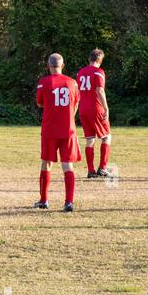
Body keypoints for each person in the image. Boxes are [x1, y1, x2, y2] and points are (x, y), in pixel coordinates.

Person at [35, 53, 80, 212]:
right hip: (68, 129)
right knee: (67, 165)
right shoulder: (72, 83)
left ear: (48, 66)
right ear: (63, 65)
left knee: (46, 163)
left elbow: (40, 103)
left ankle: (44, 200)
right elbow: (76, 103)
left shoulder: (43, 83)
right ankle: (68, 202)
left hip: (49, 129)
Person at [76, 49, 112, 179]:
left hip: (83, 109)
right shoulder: (99, 72)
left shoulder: (80, 73)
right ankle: (102, 168)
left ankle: (91, 170)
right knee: (107, 137)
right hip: (96, 108)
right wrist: (106, 108)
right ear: (100, 60)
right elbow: (100, 91)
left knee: (90, 139)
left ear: (89, 59)